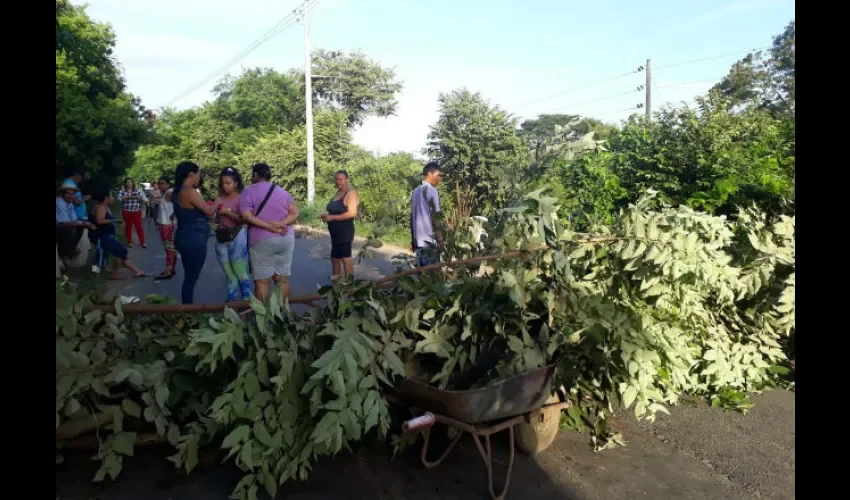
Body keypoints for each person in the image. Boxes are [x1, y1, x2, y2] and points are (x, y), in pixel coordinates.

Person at [239, 163, 299, 300]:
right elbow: (295, 213)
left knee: (262, 282)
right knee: (282, 279)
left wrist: (269, 226)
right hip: (286, 238)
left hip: (261, 240)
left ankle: (265, 319)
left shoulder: (248, 191)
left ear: (255, 175)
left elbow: (247, 216)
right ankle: (281, 315)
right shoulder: (283, 192)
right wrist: (280, 224)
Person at [173, 161, 216, 304]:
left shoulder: (177, 191)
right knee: (191, 279)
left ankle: (186, 309)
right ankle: (187, 311)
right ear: (191, 174)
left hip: (183, 236)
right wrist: (220, 201)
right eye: (198, 174)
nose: (199, 177)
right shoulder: (190, 191)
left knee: (189, 277)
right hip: (193, 239)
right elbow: (209, 211)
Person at [90, 190, 146, 279]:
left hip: (107, 235)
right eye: (111, 197)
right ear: (105, 198)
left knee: (120, 252)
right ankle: (134, 271)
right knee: (120, 251)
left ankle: (123, 272)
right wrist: (115, 220)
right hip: (102, 236)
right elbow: (99, 221)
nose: (113, 199)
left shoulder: (105, 207)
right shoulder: (101, 207)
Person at [214, 167, 251, 301]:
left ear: (236, 183)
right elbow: (216, 219)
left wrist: (228, 212)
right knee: (229, 275)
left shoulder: (242, 199)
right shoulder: (218, 199)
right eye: (223, 183)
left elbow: (244, 219)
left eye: (228, 183)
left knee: (240, 272)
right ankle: (232, 301)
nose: (225, 186)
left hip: (237, 237)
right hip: (221, 238)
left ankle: (246, 300)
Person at [320, 170, 359, 279]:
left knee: (345, 259)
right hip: (335, 233)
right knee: (335, 259)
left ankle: (349, 287)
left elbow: (352, 213)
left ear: (347, 179)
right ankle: (336, 288)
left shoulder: (350, 193)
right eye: (336, 179)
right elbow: (335, 211)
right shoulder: (337, 193)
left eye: (340, 179)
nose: (338, 182)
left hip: (344, 232)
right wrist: (326, 216)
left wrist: (332, 217)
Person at [410, 162, 443, 267]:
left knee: (422, 280)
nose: (439, 179)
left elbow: (412, 217)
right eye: (438, 175)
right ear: (429, 174)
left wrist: (413, 240)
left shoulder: (415, 191)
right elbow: (435, 218)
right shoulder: (432, 191)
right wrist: (441, 239)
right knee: (433, 279)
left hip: (418, 242)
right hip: (430, 243)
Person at [56, 182, 95, 258]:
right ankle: (64, 252)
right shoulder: (59, 202)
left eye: (73, 194)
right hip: (59, 226)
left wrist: (84, 223)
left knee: (80, 227)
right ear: (62, 194)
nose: (71, 196)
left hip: (61, 225)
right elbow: (64, 223)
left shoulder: (69, 203)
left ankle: (69, 250)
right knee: (68, 229)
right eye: (68, 193)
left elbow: (74, 219)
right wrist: (83, 224)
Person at [151, 175, 177, 281]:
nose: (161, 185)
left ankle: (168, 270)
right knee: (170, 248)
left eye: (163, 183)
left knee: (169, 248)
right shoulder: (166, 193)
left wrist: (175, 213)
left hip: (167, 224)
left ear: (168, 184)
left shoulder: (169, 193)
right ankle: (172, 268)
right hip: (164, 223)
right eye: (159, 183)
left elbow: (181, 204)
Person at [118, 178, 148, 248]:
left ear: (132, 183)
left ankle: (143, 242)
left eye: (130, 182)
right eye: (127, 182)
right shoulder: (122, 191)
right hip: (126, 211)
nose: (129, 184)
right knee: (128, 227)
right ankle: (129, 242)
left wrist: (138, 197)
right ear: (125, 184)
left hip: (136, 211)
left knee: (139, 227)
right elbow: (120, 199)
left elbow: (142, 198)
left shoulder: (137, 190)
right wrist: (127, 197)